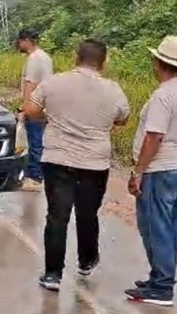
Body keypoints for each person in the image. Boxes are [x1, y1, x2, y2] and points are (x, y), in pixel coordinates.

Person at [24, 40, 129, 292]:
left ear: (76, 57)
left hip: (58, 159)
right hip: (94, 162)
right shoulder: (113, 90)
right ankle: (86, 260)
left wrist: (48, 117)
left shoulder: (54, 82)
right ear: (104, 62)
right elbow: (123, 118)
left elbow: (30, 109)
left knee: (57, 216)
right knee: (87, 213)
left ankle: (52, 274)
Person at [126, 36, 177, 307]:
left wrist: (139, 171)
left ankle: (162, 286)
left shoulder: (163, 94)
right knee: (170, 227)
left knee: (154, 226)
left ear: (159, 62)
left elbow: (154, 136)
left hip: (161, 167)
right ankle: (160, 276)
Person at [16, 28, 53, 192]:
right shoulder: (44, 57)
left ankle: (35, 177)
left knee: (34, 141)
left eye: (20, 41)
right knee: (37, 140)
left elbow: (31, 85)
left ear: (26, 41)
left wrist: (25, 108)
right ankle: (34, 175)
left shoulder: (34, 58)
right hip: (44, 103)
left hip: (36, 105)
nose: (19, 45)